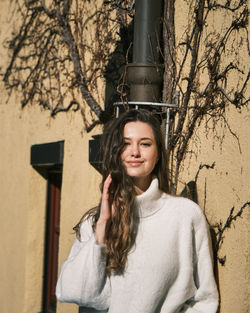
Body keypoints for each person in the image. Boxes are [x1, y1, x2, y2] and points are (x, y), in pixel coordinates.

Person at [56, 109, 219, 313]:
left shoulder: (186, 216)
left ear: (158, 153)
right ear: (116, 152)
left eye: (145, 144)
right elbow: (74, 292)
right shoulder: (94, 222)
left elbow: (205, 300)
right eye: (125, 144)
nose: (135, 152)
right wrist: (102, 227)